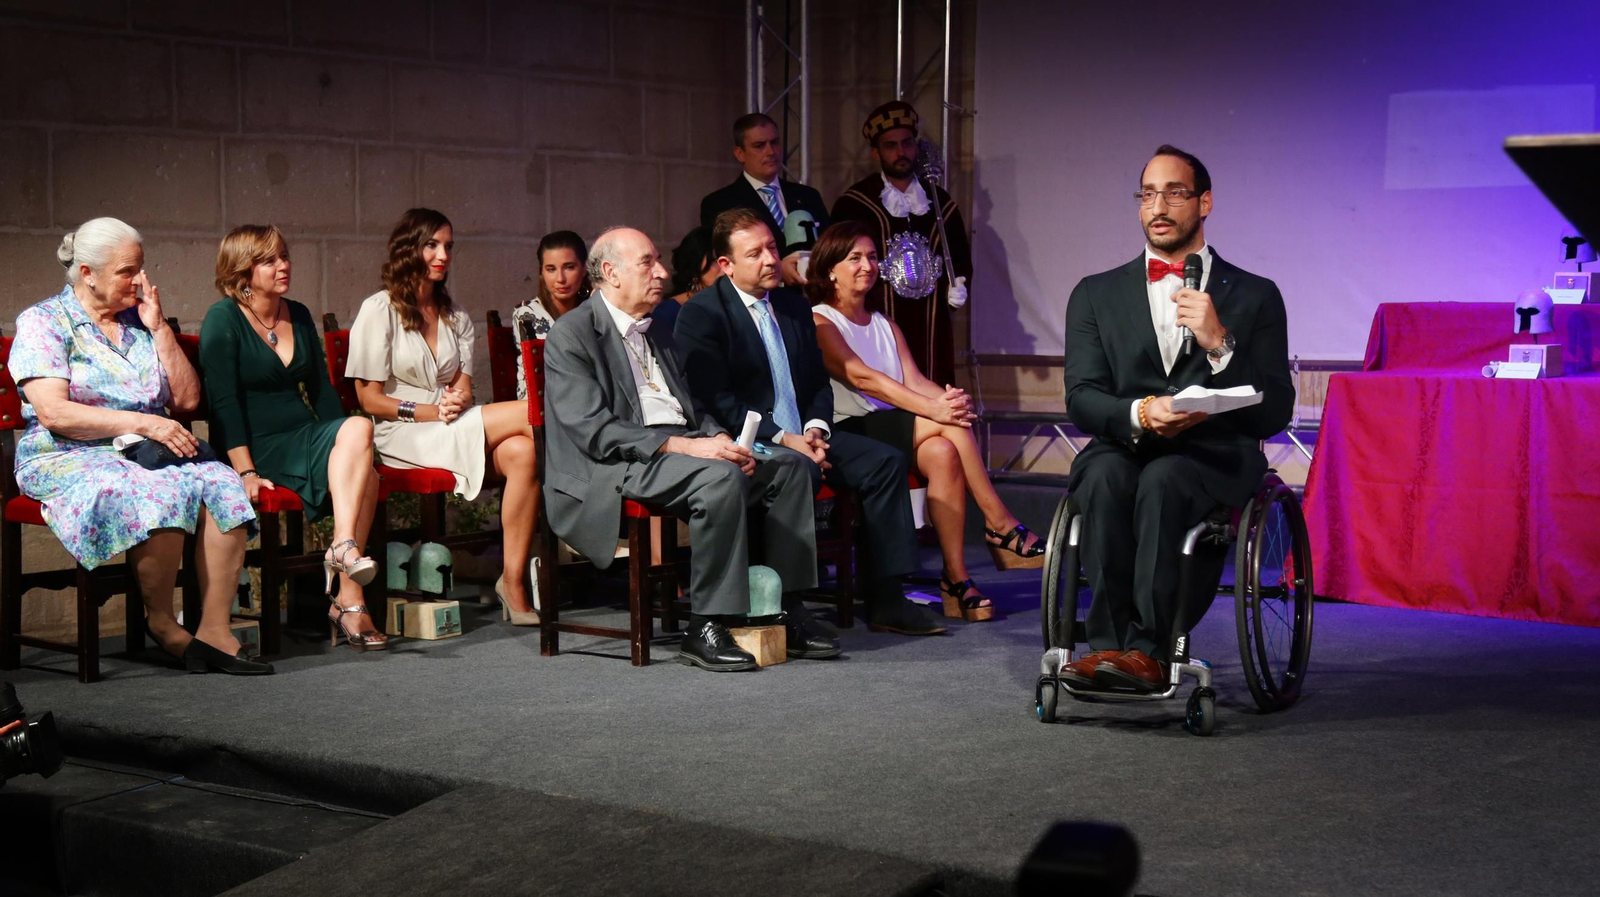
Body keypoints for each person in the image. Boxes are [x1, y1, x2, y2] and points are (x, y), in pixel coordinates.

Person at [542, 226, 839, 671]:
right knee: (720, 477)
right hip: (620, 460)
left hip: (684, 447)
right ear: (611, 272)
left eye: (658, 260)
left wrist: (719, 438)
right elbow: (594, 430)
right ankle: (705, 624)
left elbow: (694, 407)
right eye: (648, 262)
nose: (662, 272)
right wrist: (686, 448)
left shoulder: (659, 328)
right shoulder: (573, 333)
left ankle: (784, 609)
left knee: (791, 467)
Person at [1059, 145, 1294, 691]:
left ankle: (1148, 652)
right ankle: (1110, 649)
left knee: (1166, 480)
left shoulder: (1256, 294)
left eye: (1174, 193)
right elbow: (1083, 397)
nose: (1158, 206)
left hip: (1211, 454)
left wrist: (1220, 343)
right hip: (1128, 445)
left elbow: (1276, 411)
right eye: (1147, 194)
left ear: (1205, 202)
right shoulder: (1095, 293)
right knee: (1103, 475)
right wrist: (1142, 411)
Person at [11, 217, 268, 674]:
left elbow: (187, 400)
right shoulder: (45, 322)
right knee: (159, 487)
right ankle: (163, 623)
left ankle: (213, 630)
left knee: (221, 482)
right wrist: (146, 424)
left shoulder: (139, 323)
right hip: (65, 453)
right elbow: (54, 413)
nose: (141, 281)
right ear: (87, 273)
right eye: (128, 271)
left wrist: (159, 328)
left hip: (145, 449)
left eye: (142, 268)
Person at [676, 209, 944, 636]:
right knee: (794, 464)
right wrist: (785, 437)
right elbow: (716, 400)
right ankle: (790, 603)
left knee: (885, 462)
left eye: (771, 247)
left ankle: (887, 598)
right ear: (726, 265)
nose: (770, 259)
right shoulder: (704, 314)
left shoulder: (791, 305)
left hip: (806, 431)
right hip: (754, 438)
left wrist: (816, 428)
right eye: (755, 253)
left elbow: (818, 380)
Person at [808, 221, 1044, 623]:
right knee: (946, 426)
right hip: (850, 429)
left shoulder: (886, 324)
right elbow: (866, 380)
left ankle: (956, 578)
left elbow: (914, 381)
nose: (867, 265)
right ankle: (1001, 524)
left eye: (871, 257)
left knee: (943, 451)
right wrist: (936, 411)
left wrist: (949, 400)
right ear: (830, 269)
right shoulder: (821, 321)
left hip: (895, 425)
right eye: (854, 258)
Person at [346, 208, 542, 625]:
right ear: (408, 249)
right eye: (432, 245)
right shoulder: (378, 309)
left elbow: (463, 384)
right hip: (402, 431)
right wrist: (431, 410)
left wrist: (455, 401)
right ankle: (587, 501)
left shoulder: (454, 315)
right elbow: (369, 400)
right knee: (532, 415)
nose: (442, 255)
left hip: (451, 422)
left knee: (524, 452)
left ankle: (512, 581)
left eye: (448, 246)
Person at [200, 225, 387, 653]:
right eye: (269, 260)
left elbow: (321, 390)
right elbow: (223, 404)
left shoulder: (297, 313)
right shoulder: (222, 318)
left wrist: (349, 445)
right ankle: (348, 595)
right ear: (243, 269)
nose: (283, 265)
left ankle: (343, 553)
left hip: (302, 434)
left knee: (361, 447)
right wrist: (244, 469)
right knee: (366, 465)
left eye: (284, 255)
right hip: (257, 445)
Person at [830, 101, 972, 386]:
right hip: (875, 319)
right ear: (876, 152)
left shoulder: (941, 204)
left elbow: (960, 261)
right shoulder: (854, 204)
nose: (900, 152)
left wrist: (958, 287)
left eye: (907, 143)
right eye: (890, 145)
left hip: (932, 325)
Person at [699, 113, 830, 286]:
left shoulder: (808, 196)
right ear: (740, 154)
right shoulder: (720, 203)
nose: (770, 151)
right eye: (759, 146)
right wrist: (778, 269)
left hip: (812, 298)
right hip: (762, 301)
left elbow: (830, 247)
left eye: (774, 142)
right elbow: (725, 264)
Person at [651, 225, 720, 337]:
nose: (725, 267)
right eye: (715, 260)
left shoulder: (738, 304)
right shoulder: (670, 312)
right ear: (695, 265)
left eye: (729, 259)